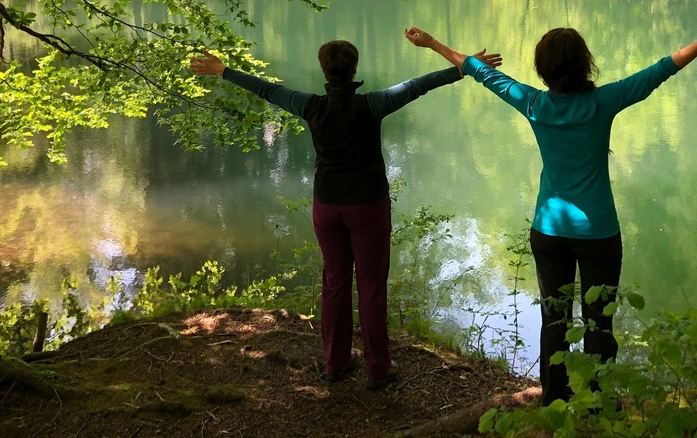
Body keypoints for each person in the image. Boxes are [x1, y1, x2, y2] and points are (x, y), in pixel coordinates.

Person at [403, 22, 697, 405]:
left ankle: (556, 399)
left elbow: (479, 71)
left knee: (555, 319)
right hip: (598, 234)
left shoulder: (533, 103)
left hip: (549, 233)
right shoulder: (603, 102)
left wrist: (431, 42)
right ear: (585, 64)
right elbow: (661, 69)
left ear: (542, 70)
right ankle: (600, 400)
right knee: (600, 320)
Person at [189, 40, 501, 389]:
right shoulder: (372, 104)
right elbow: (418, 86)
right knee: (370, 287)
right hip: (367, 206)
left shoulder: (310, 106)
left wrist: (222, 71)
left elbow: (267, 90)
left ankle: (336, 364)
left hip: (328, 206)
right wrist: (465, 68)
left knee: (335, 283)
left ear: (324, 69)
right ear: (354, 69)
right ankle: (378, 369)